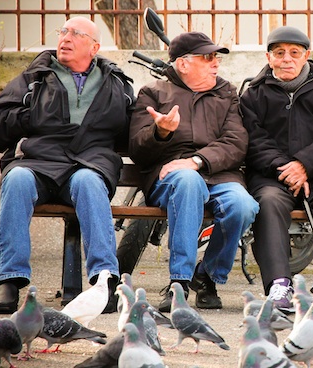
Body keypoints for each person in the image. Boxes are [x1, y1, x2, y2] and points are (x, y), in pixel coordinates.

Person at [0, 17, 134, 314]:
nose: (65, 38)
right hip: (39, 162)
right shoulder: (36, 77)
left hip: (88, 163)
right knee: (18, 179)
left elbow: (135, 133)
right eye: (63, 31)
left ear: (94, 47)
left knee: (89, 182)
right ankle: (9, 279)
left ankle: (105, 280)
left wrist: (162, 131)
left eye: (76, 34)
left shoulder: (117, 84)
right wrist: (29, 116)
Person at [128, 32, 259, 312]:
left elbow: (236, 142)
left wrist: (198, 160)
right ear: (183, 64)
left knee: (243, 205)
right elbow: (138, 151)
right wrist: (160, 132)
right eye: (208, 57)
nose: (216, 63)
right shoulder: (154, 93)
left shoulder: (226, 92)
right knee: (188, 182)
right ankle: (179, 282)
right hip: (171, 177)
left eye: (216, 57)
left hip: (218, 173)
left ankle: (207, 276)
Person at [240, 26, 313, 309]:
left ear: (307, 56)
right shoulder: (253, 95)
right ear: (269, 57)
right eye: (279, 53)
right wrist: (286, 167)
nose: (286, 59)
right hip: (271, 177)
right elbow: (253, 140)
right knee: (267, 203)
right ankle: (279, 285)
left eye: (294, 53)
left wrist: (304, 164)